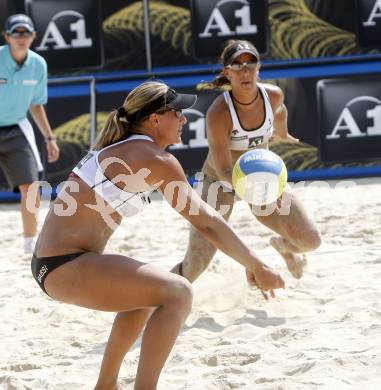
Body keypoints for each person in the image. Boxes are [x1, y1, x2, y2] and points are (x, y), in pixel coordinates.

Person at [31, 81, 284, 389]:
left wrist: (250, 261)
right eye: (177, 112)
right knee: (178, 292)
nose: (184, 119)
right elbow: (207, 222)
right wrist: (257, 264)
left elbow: (207, 221)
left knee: (149, 293)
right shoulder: (151, 156)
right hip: (64, 265)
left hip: (59, 263)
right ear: (154, 119)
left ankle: (107, 385)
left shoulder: (127, 148)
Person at [175, 40, 321, 285]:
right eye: (237, 64)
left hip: (262, 177)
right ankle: (154, 305)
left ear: (258, 67)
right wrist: (252, 188)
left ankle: (281, 247)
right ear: (227, 72)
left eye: (250, 63)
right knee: (196, 264)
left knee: (310, 241)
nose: (245, 70)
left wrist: (282, 132)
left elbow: (281, 110)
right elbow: (223, 168)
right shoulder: (219, 113)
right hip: (219, 182)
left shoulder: (273, 95)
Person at [0, 14, 60, 254]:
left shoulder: (38, 65)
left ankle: (29, 243)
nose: (21, 37)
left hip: (16, 127)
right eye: (17, 33)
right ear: (7, 37)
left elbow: (36, 104)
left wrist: (49, 138)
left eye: (26, 33)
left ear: (34, 36)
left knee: (31, 187)